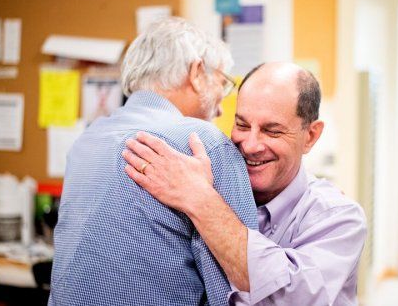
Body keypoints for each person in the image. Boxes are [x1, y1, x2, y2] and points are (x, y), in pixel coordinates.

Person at [48, 17, 258, 306]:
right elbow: (244, 290)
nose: (221, 107)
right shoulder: (205, 144)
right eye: (222, 85)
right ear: (197, 73)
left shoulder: (87, 141)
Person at [123, 62, 368, 305]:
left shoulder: (339, 218)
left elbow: (294, 298)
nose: (250, 145)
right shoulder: (205, 182)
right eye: (241, 125)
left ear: (311, 136)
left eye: (272, 131)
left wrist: (201, 203)